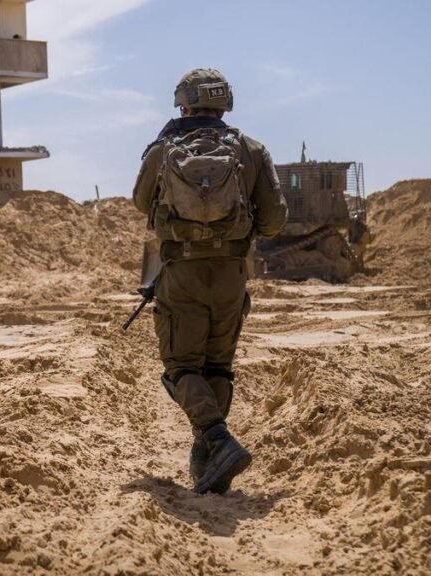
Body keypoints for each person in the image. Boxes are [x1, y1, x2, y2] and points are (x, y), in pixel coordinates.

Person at [132, 68, 288, 494]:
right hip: (231, 275)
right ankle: (208, 460)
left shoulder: (163, 149)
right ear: (225, 104)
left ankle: (218, 442)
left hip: (181, 273)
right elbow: (274, 221)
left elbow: (141, 203)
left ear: (183, 105)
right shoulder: (252, 149)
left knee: (181, 368)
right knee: (217, 367)